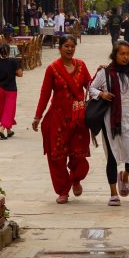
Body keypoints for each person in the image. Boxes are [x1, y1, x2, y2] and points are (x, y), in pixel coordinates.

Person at [32, 36, 92, 204]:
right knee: (56, 156)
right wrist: (38, 116)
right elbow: (45, 94)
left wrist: (103, 77)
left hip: (78, 118)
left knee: (78, 153)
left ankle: (76, 178)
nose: (70, 49)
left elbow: (90, 85)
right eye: (66, 46)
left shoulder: (81, 65)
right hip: (57, 118)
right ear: (60, 48)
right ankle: (62, 190)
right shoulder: (53, 69)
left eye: (72, 46)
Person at [89, 40, 129, 206]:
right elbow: (91, 88)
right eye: (121, 54)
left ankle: (125, 175)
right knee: (112, 157)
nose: (125, 57)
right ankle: (113, 193)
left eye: (127, 54)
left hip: (128, 119)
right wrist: (102, 94)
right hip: (109, 121)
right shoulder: (105, 73)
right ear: (115, 55)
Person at [0, 44, 23, 139]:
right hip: (11, 89)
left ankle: (9, 131)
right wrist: (12, 73)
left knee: (2, 109)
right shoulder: (13, 61)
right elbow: (20, 74)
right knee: (9, 110)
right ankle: (2, 129)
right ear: (9, 52)